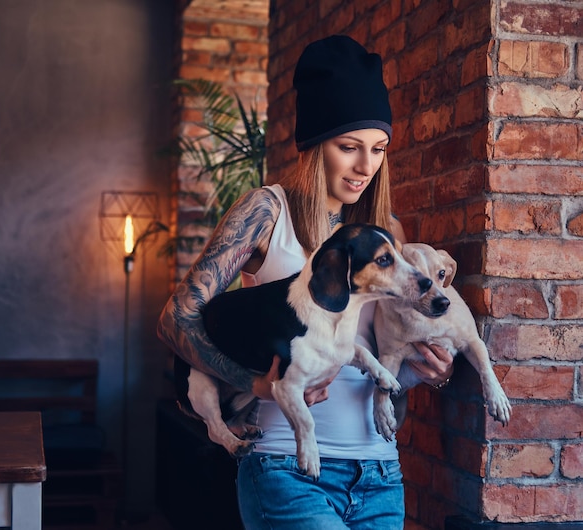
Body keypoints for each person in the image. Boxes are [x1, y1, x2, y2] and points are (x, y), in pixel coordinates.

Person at [158, 34, 454, 529]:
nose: (365, 166)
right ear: (316, 145)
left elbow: (387, 379)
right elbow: (176, 318)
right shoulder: (266, 213)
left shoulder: (388, 236)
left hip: (381, 472)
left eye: (378, 148)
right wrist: (256, 385)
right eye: (349, 147)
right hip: (287, 467)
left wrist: (428, 373)